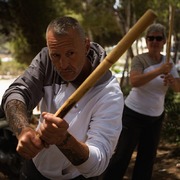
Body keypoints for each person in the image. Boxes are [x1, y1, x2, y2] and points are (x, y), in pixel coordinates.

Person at [1, 16, 124, 180]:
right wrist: (22, 129)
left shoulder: (109, 93)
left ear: (86, 46)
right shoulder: (46, 61)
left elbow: (98, 163)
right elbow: (16, 93)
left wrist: (63, 139)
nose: (63, 64)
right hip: (34, 168)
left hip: (76, 176)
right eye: (56, 55)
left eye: (70, 53)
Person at [103, 23, 180, 180]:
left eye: (158, 38)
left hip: (156, 117)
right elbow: (135, 81)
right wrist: (159, 71)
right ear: (146, 41)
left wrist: (172, 80)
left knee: (147, 159)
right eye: (151, 38)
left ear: (164, 41)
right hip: (133, 115)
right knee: (122, 156)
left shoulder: (168, 62)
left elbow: (178, 88)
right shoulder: (140, 59)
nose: (154, 41)